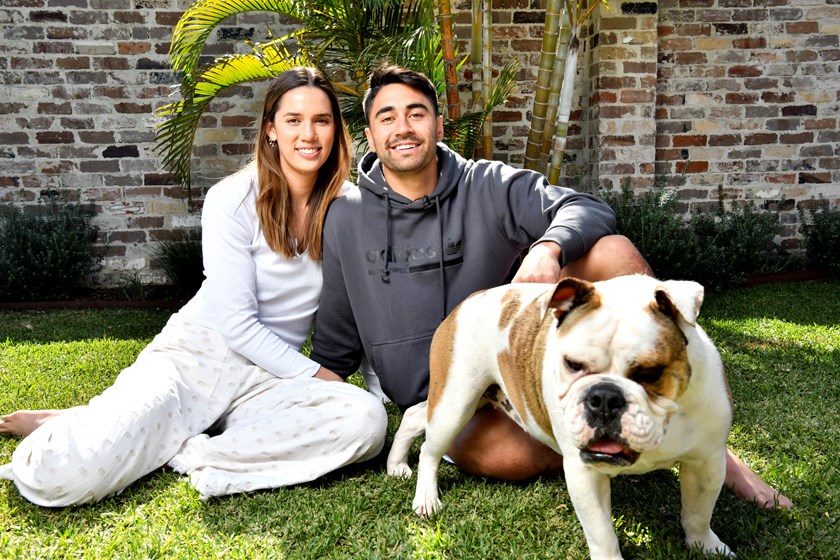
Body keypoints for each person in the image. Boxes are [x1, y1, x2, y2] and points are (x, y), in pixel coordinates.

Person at [309, 64, 792, 509]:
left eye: (417, 113)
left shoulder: (487, 183)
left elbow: (588, 207)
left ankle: (708, 447)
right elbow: (334, 343)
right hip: (440, 391)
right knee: (512, 458)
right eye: (387, 117)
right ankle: (602, 433)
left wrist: (549, 247)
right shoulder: (346, 216)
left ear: (438, 125)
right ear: (370, 135)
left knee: (611, 250)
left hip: (518, 357)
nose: (403, 128)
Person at [0, 67, 387, 507]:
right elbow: (238, 325)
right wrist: (320, 375)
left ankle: (189, 449)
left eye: (322, 120)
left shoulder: (349, 205)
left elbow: (366, 300)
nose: (309, 133)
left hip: (270, 376)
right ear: (270, 130)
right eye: (294, 120)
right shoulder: (233, 198)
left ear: (336, 130)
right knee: (66, 478)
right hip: (196, 360)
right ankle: (92, 426)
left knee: (365, 421)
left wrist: (373, 390)